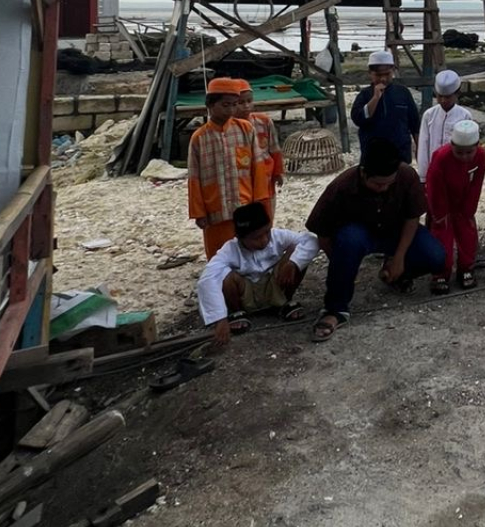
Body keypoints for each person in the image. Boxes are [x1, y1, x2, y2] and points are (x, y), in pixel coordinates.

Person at [305, 138, 447, 340]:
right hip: (359, 234)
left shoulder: (406, 176)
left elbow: (412, 217)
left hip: (395, 230)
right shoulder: (342, 186)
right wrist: (341, 264)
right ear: (363, 173)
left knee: (436, 256)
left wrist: (399, 257)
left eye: (389, 183)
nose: (384, 188)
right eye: (378, 184)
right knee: (349, 240)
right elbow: (323, 232)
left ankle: (397, 273)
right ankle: (335, 309)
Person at [196, 201, 318, 348]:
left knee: (296, 253)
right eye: (256, 238)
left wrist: (293, 263)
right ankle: (237, 312)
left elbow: (310, 240)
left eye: (267, 232)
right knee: (225, 276)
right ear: (240, 238)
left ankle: (284, 303)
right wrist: (220, 319)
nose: (264, 240)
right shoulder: (230, 249)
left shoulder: (277, 236)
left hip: (276, 287)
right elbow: (208, 279)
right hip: (246, 294)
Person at [187, 78, 267, 257]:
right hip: (215, 208)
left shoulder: (246, 129)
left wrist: (260, 200)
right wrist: (199, 212)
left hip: (244, 204)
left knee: (247, 252)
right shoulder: (199, 138)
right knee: (219, 256)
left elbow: (258, 167)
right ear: (210, 104)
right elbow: (194, 178)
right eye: (225, 105)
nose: (231, 110)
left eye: (234, 105)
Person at [424, 120, 485, 294]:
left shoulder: (481, 155)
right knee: (441, 238)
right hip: (442, 201)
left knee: (468, 236)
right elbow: (433, 184)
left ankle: (466, 268)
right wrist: (439, 212)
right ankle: (440, 273)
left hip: (463, 201)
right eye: (460, 152)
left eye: (469, 152)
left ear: (477, 146)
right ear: (451, 145)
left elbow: (477, 183)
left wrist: (470, 207)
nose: (465, 156)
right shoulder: (441, 156)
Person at [351, 49, 421, 165]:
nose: (383, 79)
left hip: (400, 154)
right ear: (370, 74)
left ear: (393, 71)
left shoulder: (403, 92)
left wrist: (419, 147)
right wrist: (375, 98)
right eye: (378, 75)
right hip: (372, 156)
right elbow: (358, 119)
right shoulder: (364, 95)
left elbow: (414, 123)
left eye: (387, 74)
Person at [233, 80, 283, 219]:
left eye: (249, 101)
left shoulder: (264, 121)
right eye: (241, 102)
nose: (246, 106)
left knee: (265, 211)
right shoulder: (230, 128)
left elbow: (274, 149)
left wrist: (278, 172)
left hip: (266, 174)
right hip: (242, 178)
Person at [416, 68, 472, 172]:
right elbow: (424, 146)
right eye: (439, 96)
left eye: (447, 97)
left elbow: (469, 148)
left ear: (457, 94)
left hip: (456, 169)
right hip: (434, 169)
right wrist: (423, 176)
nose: (443, 100)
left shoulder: (465, 116)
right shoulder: (429, 115)